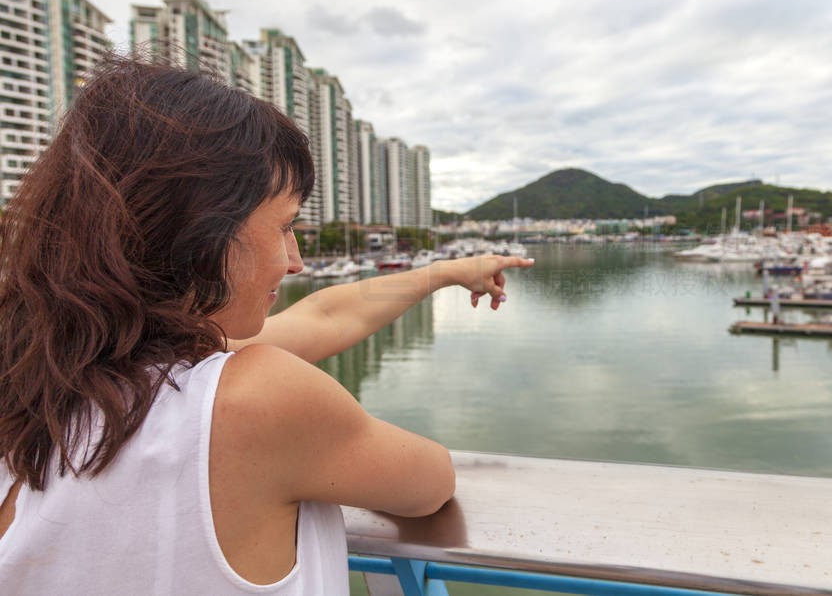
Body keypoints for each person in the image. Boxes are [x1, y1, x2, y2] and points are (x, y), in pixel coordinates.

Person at [0, 57, 533, 594]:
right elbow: (429, 482)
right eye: (285, 226)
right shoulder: (254, 399)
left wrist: (445, 272)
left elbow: (324, 316)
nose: (295, 261)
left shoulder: (39, 382)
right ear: (203, 231)